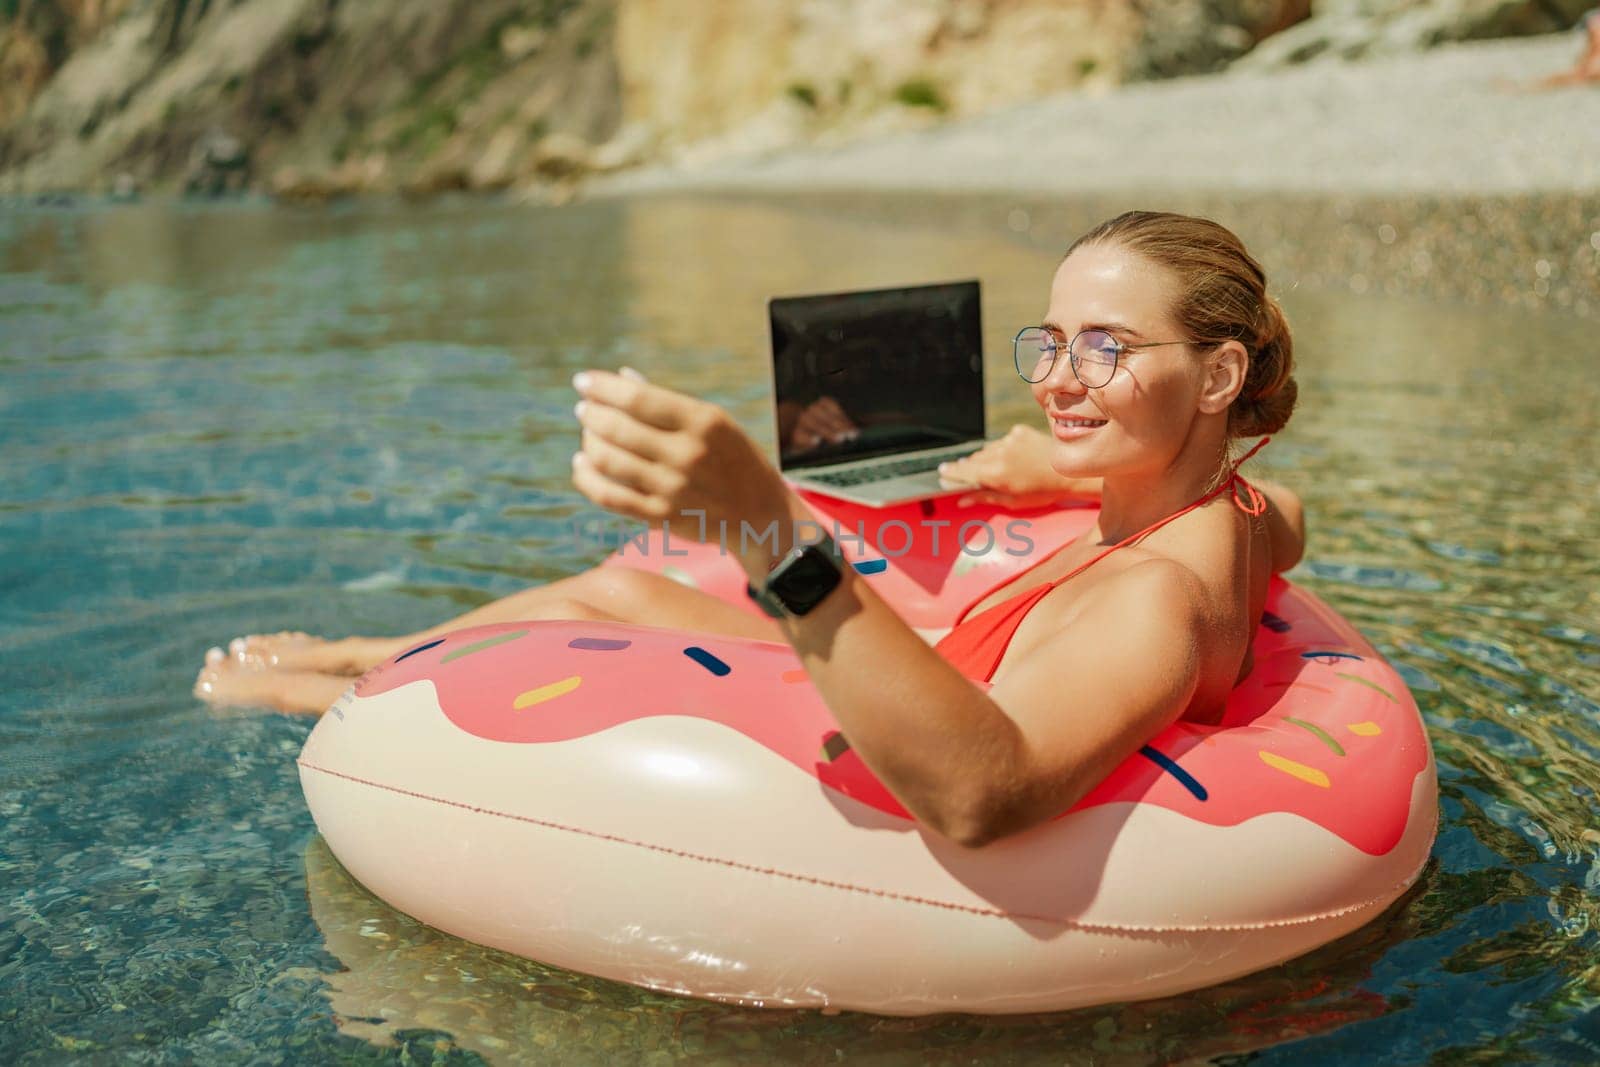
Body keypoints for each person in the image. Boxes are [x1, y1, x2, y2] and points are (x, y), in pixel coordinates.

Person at [195, 210, 1306, 848]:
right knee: (627, 593)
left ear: (1218, 373)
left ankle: (321, 689)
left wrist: (766, 525)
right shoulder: (1241, 512)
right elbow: (1288, 522)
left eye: (1105, 348)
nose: (1059, 382)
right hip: (951, 663)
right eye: (1050, 343)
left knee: (640, 606)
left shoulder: (1152, 599)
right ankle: (358, 654)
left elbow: (982, 790)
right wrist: (1038, 472)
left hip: (932, 729)